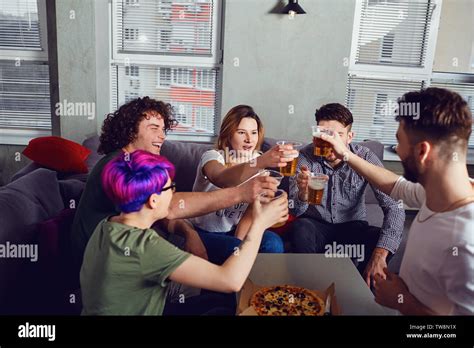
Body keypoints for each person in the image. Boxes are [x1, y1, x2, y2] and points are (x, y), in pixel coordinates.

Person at [70, 97, 281, 273]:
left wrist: (188, 233)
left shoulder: (139, 164)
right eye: (154, 128)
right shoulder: (117, 165)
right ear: (130, 131)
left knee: (270, 244)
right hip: (101, 259)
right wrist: (240, 194)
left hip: (123, 249)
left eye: (163, 129)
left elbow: (158, 211)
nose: (162, 135)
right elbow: (168, 205)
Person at [320, 88, 473, 315]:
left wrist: (402, 302)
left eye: (399, 142)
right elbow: (395, 186)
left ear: (422, 151)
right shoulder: (436, 193)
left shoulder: (466, 241)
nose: (397, 150)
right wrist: (346, 154)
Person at [80, 150, 289, 315]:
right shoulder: (146, 247)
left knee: (217, 303)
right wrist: (259, 225)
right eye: (171, 187)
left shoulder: (107, 225)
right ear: (153, 201)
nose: (174, 192)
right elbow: (230, 281)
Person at [288, 103, 405, 285]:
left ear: (350, 137)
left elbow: (394, 206)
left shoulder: (364, 157)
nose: (329, 142)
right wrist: (303, 193)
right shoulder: (305, 156)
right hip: (316, 225)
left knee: (380, 240)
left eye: (337, 135)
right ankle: (310, 288)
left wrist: (380, 253)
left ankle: (361, 291)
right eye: (324, 134)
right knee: (300, 228)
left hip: (353, 226)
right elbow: (296, 211)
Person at [189, 105, 298, 264]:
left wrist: (242, 241)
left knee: (274, 243)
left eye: (254, 133)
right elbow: (221, 178)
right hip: (205, 231)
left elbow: (250, 213)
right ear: (228, 134)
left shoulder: (259, 164)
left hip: (235, 230)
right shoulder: (213, 157)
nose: (249, 139)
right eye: (241, 132)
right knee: (235, 248)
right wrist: (261, 161)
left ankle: (260, 287)